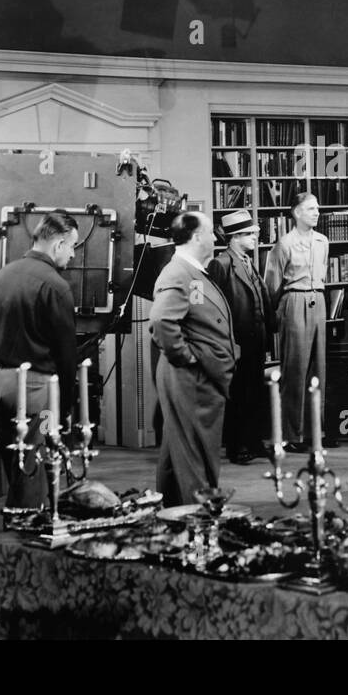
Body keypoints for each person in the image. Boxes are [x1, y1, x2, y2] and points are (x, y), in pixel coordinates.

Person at [0, 212, 79, 507]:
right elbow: (66, 354)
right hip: (38, 392)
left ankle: (19, 523)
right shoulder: (55, 285)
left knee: (16, 461)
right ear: (58, 244)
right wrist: (67, 407)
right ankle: (25, 537)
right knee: (36, 460)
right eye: (72, 246)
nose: (72, 255)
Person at [150, 212, 238, 506]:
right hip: (190, 376)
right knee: (196, 453)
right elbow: (162, 321)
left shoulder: (194, 272)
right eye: (211, 232)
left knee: (179, 451)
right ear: (197, 236)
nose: (216, 237)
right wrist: (186, 358)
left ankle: (173, 515)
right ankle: (199, 522)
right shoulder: (178, 272)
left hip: (196, 375)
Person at [263, 192, 329, 454]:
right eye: (311, 209)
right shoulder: (284, 244)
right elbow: (272, 287)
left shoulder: (323, 241)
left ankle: (316, 432)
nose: (316, 213)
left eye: (317, 208)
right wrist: (277, 315)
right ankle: (292, 434)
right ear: (297, 213)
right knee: (295, 370)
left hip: (318, 302)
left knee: (319, 369)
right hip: (294, 302)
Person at [208, 209, 273, 465]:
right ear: (235, 237)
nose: (255, 237)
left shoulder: (246, 261)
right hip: (236, 341)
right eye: (250, 234)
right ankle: (237, 446)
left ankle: (254, 441)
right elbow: (215, 307)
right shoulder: (221, 264)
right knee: (237, 393)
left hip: (255, 338)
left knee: (254, 391)